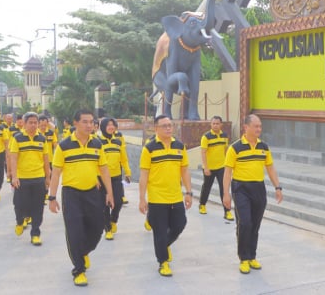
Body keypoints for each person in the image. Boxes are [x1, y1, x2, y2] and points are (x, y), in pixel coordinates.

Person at [48, 109, 114, 287]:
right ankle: (79, 270)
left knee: (98, 228)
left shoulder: (97, 144)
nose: (89, 125)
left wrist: (110, 192)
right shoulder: (64, 145)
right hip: (72, 194)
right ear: (75, 123)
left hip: (92, 192)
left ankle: (83, 251)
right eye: (85, 122)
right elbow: (56, 174)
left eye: (92, 122)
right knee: (75, 231)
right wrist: (52, 197)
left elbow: (104, 170)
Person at [222, 114, 283, 274]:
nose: (259, 129)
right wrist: (226, 194)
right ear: (246, 127)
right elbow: (227, 172)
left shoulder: (264, 147)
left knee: (255, 225)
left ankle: (252, 256)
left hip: (258, 188)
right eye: (256, 126)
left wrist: (278, 187)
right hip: (241, 188)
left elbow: (270, 168)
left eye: (260, 126)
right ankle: (243, 258)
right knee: (245, 223)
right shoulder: (235, 148)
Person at [139, 115, 192, 277]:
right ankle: (163, 262)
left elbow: (184, 170)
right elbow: (144, 175)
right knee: (160, 232)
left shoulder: (179, 146)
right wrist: (142, 198)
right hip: (157, 198)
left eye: (170, 125)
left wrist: (188, 192)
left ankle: (163, 245)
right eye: (164, 126)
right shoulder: (149, 148)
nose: (169, 128)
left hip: (175, 196)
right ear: (156, 128)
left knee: (180, 224)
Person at [9, 112, 50, 246]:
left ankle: (35, 233)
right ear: (24, 124)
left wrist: (47, 177)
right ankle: (20, 221)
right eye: (30, 123)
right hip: (22, 178)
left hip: (38, 178)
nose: (33, 125)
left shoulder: (42, 139)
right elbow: (13, 158)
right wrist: (14, 176)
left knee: (38, 207)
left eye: (35, 123)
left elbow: (46, 160)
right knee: (19, 204)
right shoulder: (18, 138)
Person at [98, 117, 132, 240]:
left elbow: (124, 159)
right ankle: (107, 229)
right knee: (105, 204)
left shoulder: (118, 141)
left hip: (116, 177)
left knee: (118, 201)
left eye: (113, 125)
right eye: (108, 125)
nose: (111, 127)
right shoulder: (97, 142)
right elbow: (94, 161)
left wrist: (127, 172)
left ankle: (113, 220)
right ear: (103, 127)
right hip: (102, 178)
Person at [198, 115, 232, 220]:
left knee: (224, 189)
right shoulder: (206, 137)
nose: (215, 125)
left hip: (222, 167)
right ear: (211, 124)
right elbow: (203, 153)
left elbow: (226, 150)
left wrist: (228, 165)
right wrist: (206, 167)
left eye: (217, 123)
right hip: (209, 168)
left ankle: (227, 212)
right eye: (213, 123)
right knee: (207, 187)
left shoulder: (225, 136)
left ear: (221, 124)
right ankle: (202, 204)